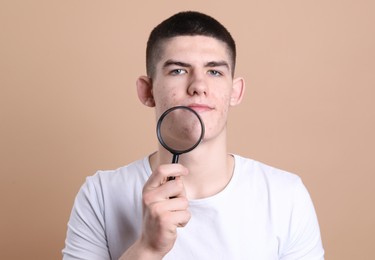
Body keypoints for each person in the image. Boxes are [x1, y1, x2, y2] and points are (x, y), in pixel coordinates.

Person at [63, 11, 324, 260]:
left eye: (214, 71)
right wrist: (148, 249)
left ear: (235, 91)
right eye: (178, 70)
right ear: (147, 91)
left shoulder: (285, 196)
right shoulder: (100, 195)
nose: (198, 85)